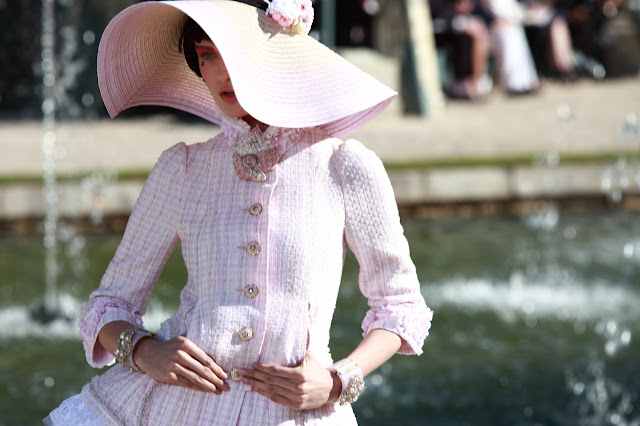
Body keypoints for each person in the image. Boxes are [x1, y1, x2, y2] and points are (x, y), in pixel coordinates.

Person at [44, 0, 433, 424]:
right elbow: (110, 304)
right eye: (207, 55)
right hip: (173, 408)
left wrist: (338, 382)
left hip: (298, 413)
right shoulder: (183, 168)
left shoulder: (345, 167)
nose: (220, 72)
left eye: (233, 53)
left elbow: (400, 305)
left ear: (276, 55)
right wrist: (143, 351)